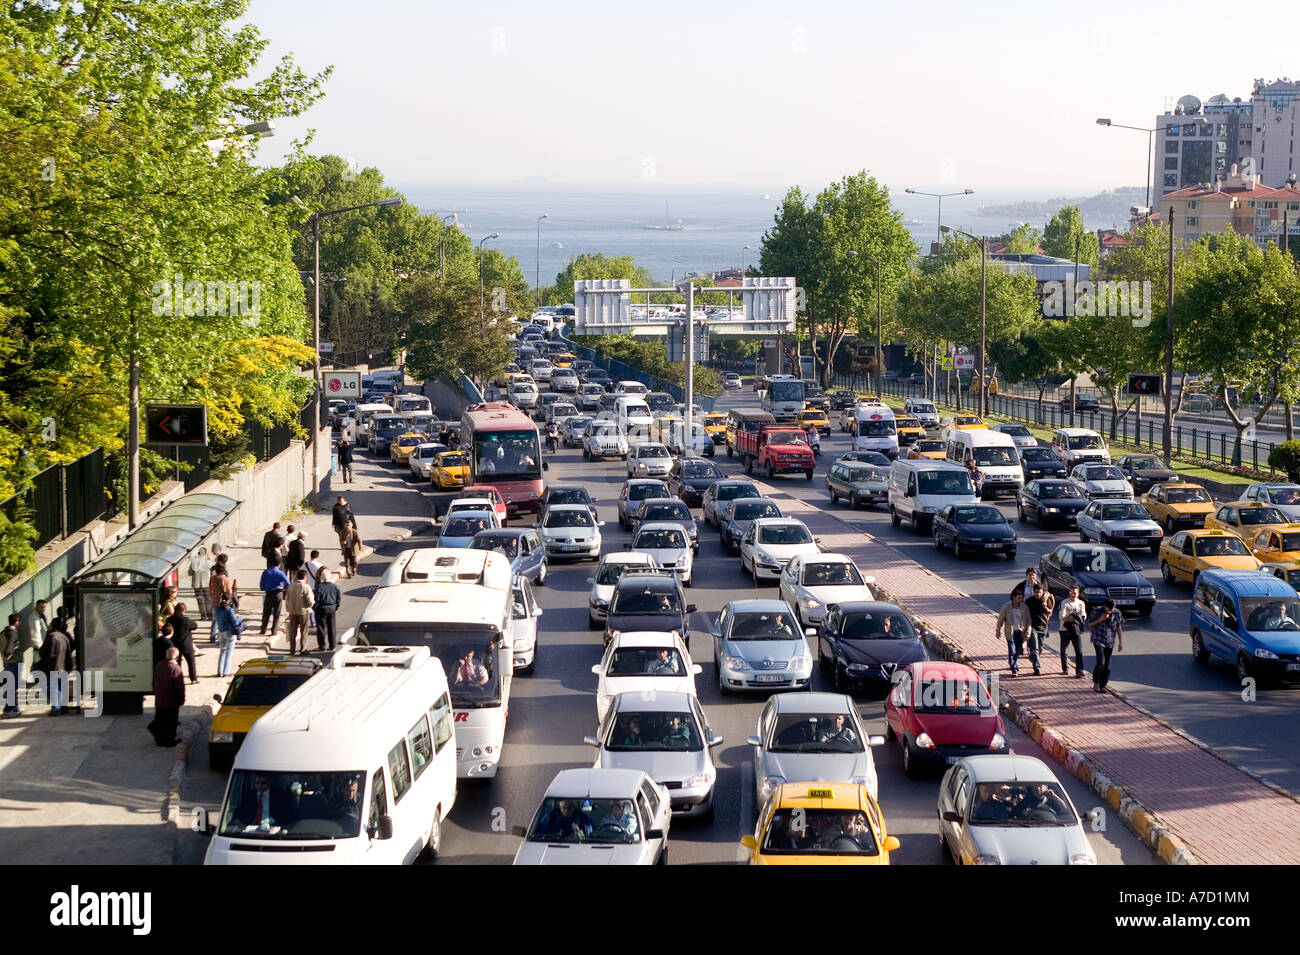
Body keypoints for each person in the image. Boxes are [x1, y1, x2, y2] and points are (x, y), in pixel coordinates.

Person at [149, 647, 185, 747]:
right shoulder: (176, 669)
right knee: (171, 722)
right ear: (176, 657)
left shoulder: (159, 665)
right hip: (171, 701)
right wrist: (181, 699)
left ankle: (160, 740)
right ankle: (169, 741)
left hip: (160, 699)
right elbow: (179, 687)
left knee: (161, 719)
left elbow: (154, 680)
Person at [1088, 599, 1124, 693]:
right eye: (1108, 609)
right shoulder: (1096, 611)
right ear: (1105, 606)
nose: (1110, 611)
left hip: (1110, 641)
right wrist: (1101, 619)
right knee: (1101, 662)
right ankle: (1096, 682)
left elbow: (1118, 626)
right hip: (1098, 639)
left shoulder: (1116, 613)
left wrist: (1120, 642)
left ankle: (1103, 685)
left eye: (1111, 609)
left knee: (1107, 665)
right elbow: (1090, 624)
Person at [38, 618, 70, 716]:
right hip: (62, 667)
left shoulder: (51, 636)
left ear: (53, 625)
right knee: (59, 688)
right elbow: (69, 651)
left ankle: (56, 709)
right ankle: (60, 706)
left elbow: (42, 652)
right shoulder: (64, 637)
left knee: (49, 687)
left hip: (52, 666)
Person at [996, 590, 1032, 676]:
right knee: (1012, 651)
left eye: (1021, 598)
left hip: (1020, 632)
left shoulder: (1024, 607)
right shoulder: (1007, 607)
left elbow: (1029, 621)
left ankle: (1013, 663)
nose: (1020, 600)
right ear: (1014, 598)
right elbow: (1000, 619)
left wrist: (1028, 632)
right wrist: (998, 630)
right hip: (1010, 632)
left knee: (1017, 650)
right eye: (1018, 598)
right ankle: (1014, 670)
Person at [1023, 582, 1055, 677]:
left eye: (1040, 592)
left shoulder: (1046, 600)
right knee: (1035, 648)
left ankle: (1033, 657)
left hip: (1043, 627)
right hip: (1032, 627)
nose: (1038, 594)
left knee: (1040, 647)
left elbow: (1050, 611)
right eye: (1036, 592)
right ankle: (1037, 668)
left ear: (1042, 592)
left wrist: (1045, 607)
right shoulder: (1029, 601)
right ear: (1033, 592)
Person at [284, 569, 315, 655]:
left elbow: (287, 599)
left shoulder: (290, 586)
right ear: (305, 577)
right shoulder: (305, 587)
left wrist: (289, 610)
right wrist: (310, 606)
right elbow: (310, 601)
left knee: (293, 631)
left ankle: (292, 649)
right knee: (304, 631)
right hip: (303, 612)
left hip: (293, 611)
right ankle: (303, 649)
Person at [1058, 585, 1087, 677]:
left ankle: (1080, 670)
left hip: (1076, 629)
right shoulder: (1065, 603)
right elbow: (1061, 617)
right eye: (1071, 592)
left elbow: (1083, 616)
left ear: (1078, 594)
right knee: (1064, 650)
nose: (1072, 594)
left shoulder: (1081, 603)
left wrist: (1076, 619)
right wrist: (1071, 618)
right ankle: (1065, 668)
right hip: (1065, 629)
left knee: (1079, 650)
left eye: (1074, 593)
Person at [258, 554, 290, 636]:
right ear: (279, 564)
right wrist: (283, 587)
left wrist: (265, 588)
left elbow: (261, 586)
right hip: (278, 593)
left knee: (266, 613)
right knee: (277, 613)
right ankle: (274, 630)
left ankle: (263, 629)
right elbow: (288, 584)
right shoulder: (280, 573)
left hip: (268, 594)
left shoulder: (266, 572)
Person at [167, 603, 199, 684]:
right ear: (183, 611)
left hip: (175, 644)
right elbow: (195, 625)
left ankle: (177, 678)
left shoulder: (170, 619)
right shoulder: (186, 620)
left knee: (177, 662)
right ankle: (193, 679)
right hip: (186, 645)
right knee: (191, 662)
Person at [313, 568, 342, 652]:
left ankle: (322, 646)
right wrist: (336, 606)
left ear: (322, 577)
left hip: (321, 608)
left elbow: (317, 599)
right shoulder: (335, 586)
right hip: (332, 608)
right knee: (332, 627)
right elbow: (338, 598)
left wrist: (315, 607)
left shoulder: (319, 587)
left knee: (321, 627)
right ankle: (332, 645)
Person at [212, 595, 241, 678]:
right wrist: (238, 617)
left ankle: (219, 671)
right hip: (229, 632)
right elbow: (235, 622)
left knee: (222, 652)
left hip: (220, 632)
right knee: (229, 653)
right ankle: (226, 672)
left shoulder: (217, 608)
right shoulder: (229, 610)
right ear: (229, 600)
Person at [2, 613, 22, 716]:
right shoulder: (13, 632)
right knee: (13, 686)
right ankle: (9, 709)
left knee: (12, 685)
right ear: (17, 622)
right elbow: (9, 648)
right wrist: (9, 656)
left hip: (8, 662)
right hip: (13, 662)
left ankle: (14, 708)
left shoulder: (5, 631)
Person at [188, 546, 213, 620]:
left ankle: (203, 616)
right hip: (206, 583)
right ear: (206, 553)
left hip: (196, 584)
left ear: (198, 553)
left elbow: (189, 573)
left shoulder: (193, 562)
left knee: (200, 600)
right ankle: (210, 615)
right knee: (208, 600)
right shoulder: (209, 562)